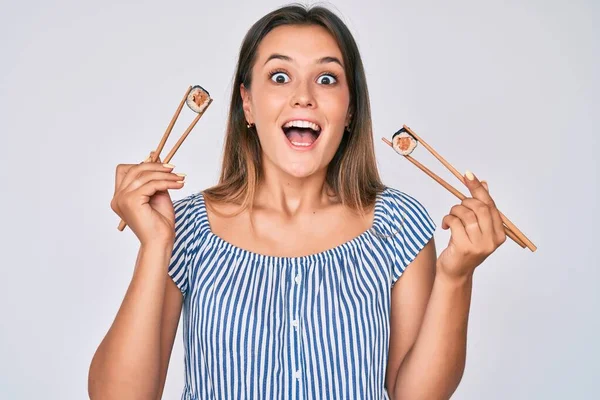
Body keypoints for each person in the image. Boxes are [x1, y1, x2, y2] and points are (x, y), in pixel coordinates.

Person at [88, 4, 506, 400]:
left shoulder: (397, 224)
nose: (303, 96)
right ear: (247, 103)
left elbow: (414, 396)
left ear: (350, 111)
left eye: (326, 79)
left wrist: (456, 277)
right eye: (280, 77)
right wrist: (155, 245)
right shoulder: (188, 229)